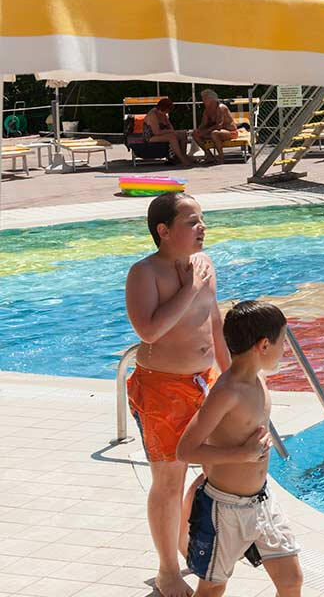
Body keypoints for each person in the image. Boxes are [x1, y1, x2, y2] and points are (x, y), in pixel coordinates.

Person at [125, 193, 230, 597]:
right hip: (161, 389)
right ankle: (168, 569)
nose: (202, 226)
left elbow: (215, 323)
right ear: (164, 231)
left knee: (216, 468)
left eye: (202, 218)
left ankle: (184, 537)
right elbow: (149, 332)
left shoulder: (205, 265)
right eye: (191, 221)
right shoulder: (144, 273)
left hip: (206, 381)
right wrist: (189, 289)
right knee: (168, 480)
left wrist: (233, 376)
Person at [176, 301, 302, 596]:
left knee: (291, 581)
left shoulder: (258, 378)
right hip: (225, 509)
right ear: (264, 345)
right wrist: (241, 455)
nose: (285, 349)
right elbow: (186, 450)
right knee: (213, 589)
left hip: (261, 501)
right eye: (283, 342)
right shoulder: (227, 391)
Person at [145, 97, 195, 167]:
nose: (168, 113)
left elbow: (169, 126)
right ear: (163, 108)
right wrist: (171, 132)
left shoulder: (163, 114)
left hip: (162, 133)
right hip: (151, 136)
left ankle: (183, 155)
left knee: (183, 133)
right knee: (172, 137)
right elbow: (156, 132)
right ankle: (182, 158)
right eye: (167, 110)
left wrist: (173, 131)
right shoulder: (153, 115)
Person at [193, 90, 237, 164]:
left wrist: (205, 131)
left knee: (214, 133)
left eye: (205, 98)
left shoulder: (221, 107)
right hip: (216, 132)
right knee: (195, 134)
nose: (203, 100)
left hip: (230, 132)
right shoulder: (207, 110)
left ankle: (221, 158)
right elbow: (203, 124)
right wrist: (198, 131)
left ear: (211, 99)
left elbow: (219, 126)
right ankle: (209, 156)